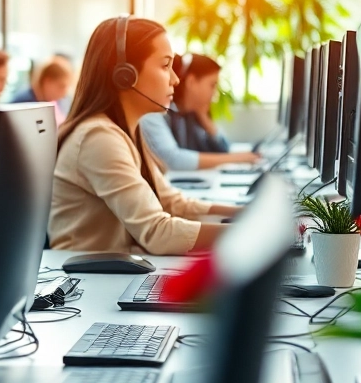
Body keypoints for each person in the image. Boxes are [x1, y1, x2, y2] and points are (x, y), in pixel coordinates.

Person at [47, 16, 240, 255]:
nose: (175, 79)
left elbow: (171, 202)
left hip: (110, 272)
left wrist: (242, 213)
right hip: (87, 281)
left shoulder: (125, 131)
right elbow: (157, 233)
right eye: (165, 65)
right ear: (125, 75)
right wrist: (248, 232)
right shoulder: (98, 137)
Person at [139, 53, 263, 171]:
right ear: (191, 82)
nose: (215, 94)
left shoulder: (189, 115)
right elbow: (173, 159)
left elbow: (223, 148)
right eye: (212, 85)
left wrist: (204, 117)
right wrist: (237, 159)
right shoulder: (155, 112)